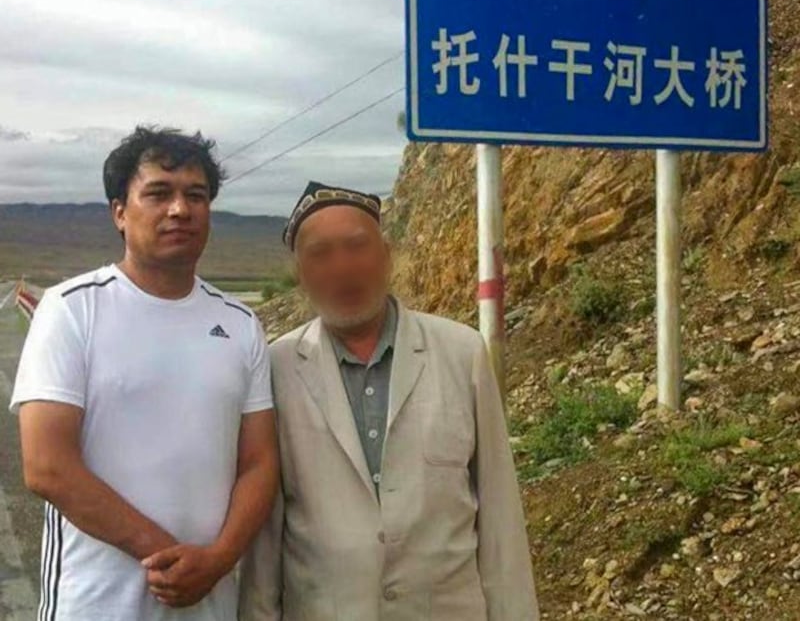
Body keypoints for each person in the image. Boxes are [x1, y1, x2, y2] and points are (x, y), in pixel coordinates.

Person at [10, 126, 279, 621]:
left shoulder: (240, 325)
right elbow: (47, 466)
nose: (180, 209)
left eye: (195, 196)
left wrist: (216, 562)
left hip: (210, 603)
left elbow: (259, 462)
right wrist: (171, 559)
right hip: (95, 603)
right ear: (119, 213)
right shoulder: (72, 310)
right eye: (158, 193)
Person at [240, 181, 539, 620]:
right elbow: (264, 534)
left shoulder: (461, 352)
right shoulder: (277, 367)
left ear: (386, 255)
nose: (342, 267)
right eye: (321, 254)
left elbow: (499, 512)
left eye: (357, 246)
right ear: (301, 274)